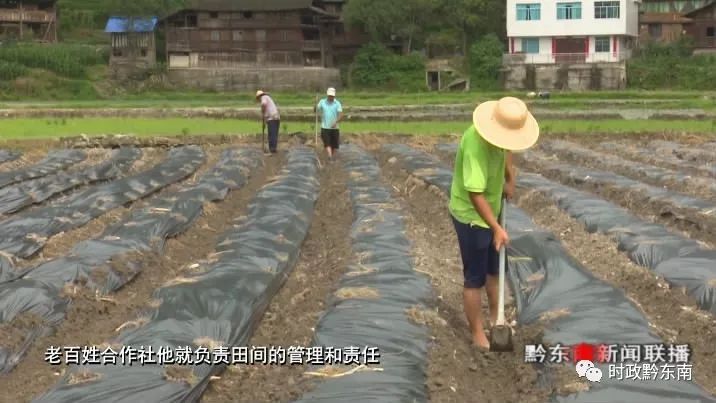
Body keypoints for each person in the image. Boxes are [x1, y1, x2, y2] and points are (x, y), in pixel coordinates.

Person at [449, 96, 539, 350]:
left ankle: (495, 318)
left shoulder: (500, 138)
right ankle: (477, 334)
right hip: (472, 216)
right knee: (475, 277)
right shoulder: (476, 146)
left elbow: (507, 148)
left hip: (493, 208)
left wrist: (510, 178)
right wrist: (496, 228)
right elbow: (475, 194)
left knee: (494, 268)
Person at [315, 87, 343, 161]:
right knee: (327, 143)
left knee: (334, 145)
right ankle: (330, 156)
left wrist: (336, 122)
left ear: (334, 96)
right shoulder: (322, 102)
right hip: (325, 127)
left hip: (335, 127)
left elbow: (340, 114)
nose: (331, 97)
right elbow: (316, 109)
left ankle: (331, 157)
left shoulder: (337, 103)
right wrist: (315, 106)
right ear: (327, 95)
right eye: (330, 96)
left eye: (332, 96)